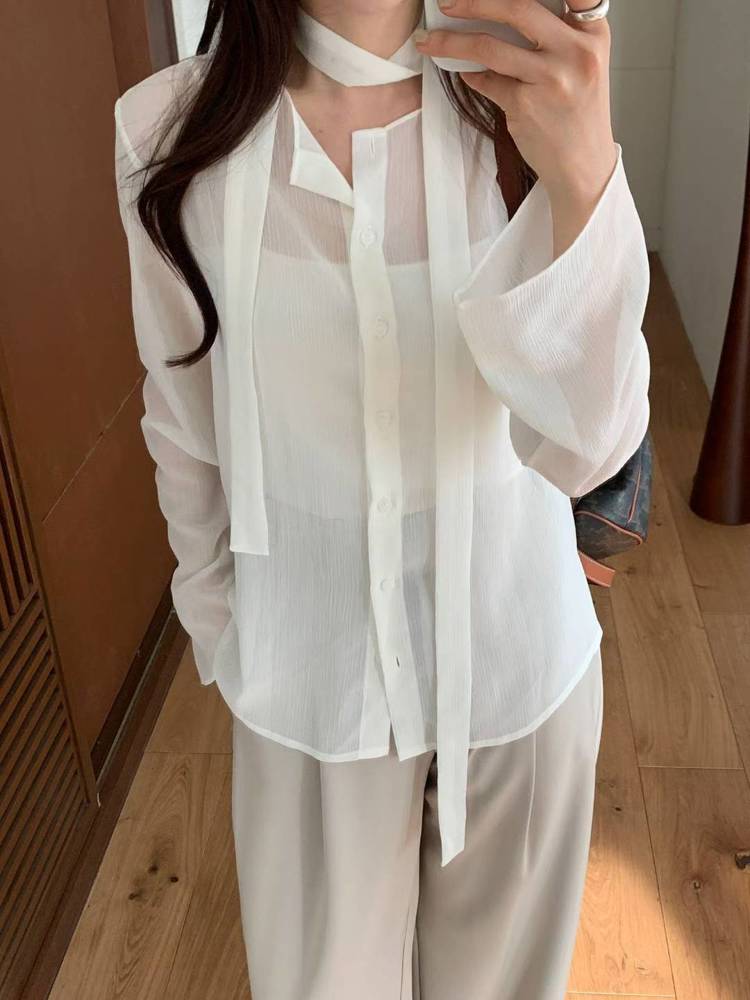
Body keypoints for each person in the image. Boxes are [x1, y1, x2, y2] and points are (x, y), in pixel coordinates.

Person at [113, 0, 650, 997]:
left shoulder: (529, 107)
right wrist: (228, 634)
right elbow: (184, 421)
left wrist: (584, 173)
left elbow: (592, 449)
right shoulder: (164, 136)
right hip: (308, 690)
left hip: (520, 680)